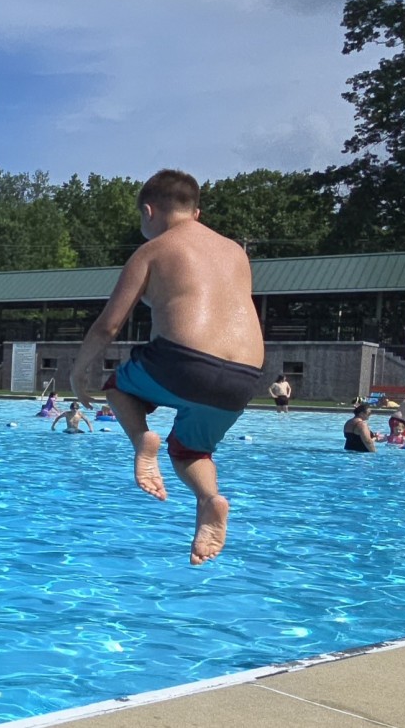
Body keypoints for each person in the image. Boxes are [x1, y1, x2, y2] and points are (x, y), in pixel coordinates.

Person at [70, 169, 265, 566]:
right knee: (191, 450)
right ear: (196, 213)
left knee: (118, 387)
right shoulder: (236, 252)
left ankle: (143, 441)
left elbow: (108, 325)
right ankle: (210, 500)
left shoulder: (152, 250)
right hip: (244, 378)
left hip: (184, 362)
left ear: (148, 211)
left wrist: (77, 373)